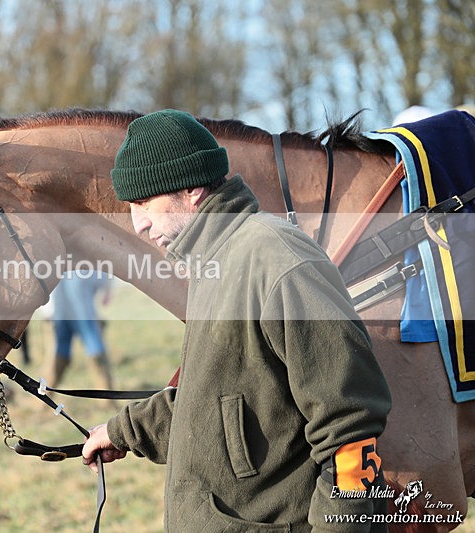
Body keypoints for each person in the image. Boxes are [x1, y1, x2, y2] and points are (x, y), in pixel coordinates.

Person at [81, 110, 392, 531]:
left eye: (143, 201)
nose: (138, 223)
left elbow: (350, 427)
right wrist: (124, 432)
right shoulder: (217, 262)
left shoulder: (276, 259)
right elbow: (217, 399)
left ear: (191, 188)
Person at [47, 270, 113, 390]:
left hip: (76, 316)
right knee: (62, 353)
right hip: (72, 317)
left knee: (93, 352)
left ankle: (107, 396)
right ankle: (45, 395)